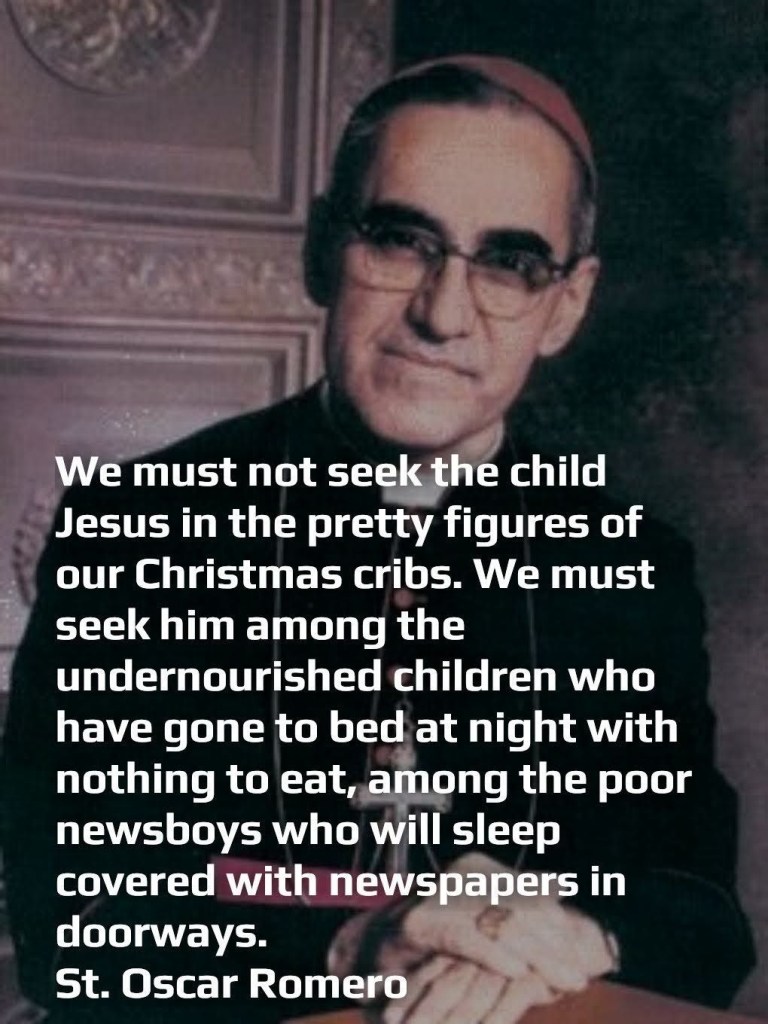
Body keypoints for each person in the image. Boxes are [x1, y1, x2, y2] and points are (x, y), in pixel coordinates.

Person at [2, 55, 755, 1024]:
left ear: (565, 305)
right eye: (401, 241)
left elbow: (701, 910)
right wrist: (361, 941)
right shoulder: (137, 532)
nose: (443, 314)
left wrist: (581, 933)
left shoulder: (633, 564)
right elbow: (74, 926)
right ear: (323, 249)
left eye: (511, 263)